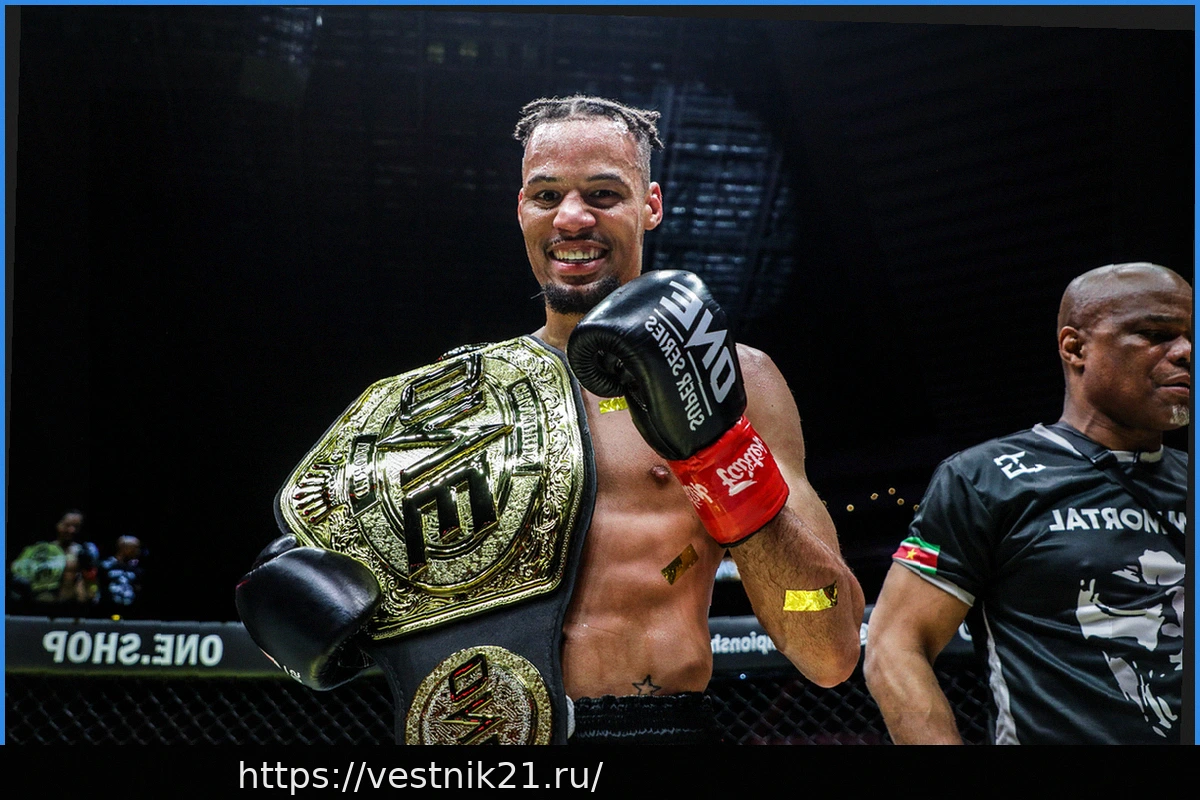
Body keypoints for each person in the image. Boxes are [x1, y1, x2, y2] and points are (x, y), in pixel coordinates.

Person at [238, 96, 864, 745]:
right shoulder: (443, 410)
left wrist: (719, 454)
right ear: (521, 209)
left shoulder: (733, 374)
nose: (571, 217)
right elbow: (320, 610)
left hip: (653, 731)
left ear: (650, 205)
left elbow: (830, 650)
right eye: (547, 195)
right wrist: (298, 611)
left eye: (602, 194)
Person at [864, 262, 1190, 745]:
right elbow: (894, 646)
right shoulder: (985, 478)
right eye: (1155, 334)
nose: (1185, 352)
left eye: (1191, 336)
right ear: (1075, 348)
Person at [9, 509, 99, 613]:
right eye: (67, 525)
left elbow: (92, 586)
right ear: (58, 524)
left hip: (73, 609)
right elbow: (18, 570)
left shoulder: (83, 552)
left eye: (76, 526)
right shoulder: (41, 552)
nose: (71, 530)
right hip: (42, 607)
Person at [96, 535, 146, 616]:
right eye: (135, 548)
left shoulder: (136, 569)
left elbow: (138, 588)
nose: (137, 551)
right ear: (124, 548)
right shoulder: (106, 565)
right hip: (107, 608)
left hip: (130, 610)